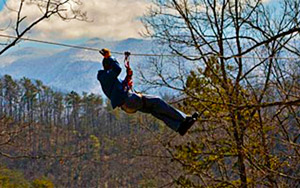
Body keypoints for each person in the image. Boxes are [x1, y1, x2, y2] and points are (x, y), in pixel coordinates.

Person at [97, 48, 198, 136]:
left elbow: (121, 86)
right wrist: (109, 57)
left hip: (127, 105)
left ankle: (179, 127)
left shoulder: (108, 80)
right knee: (157, 101)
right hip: (129, 100)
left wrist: (128, 76)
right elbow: (117, 68)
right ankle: (184, 119)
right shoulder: (105, 77)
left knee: (155, 110)